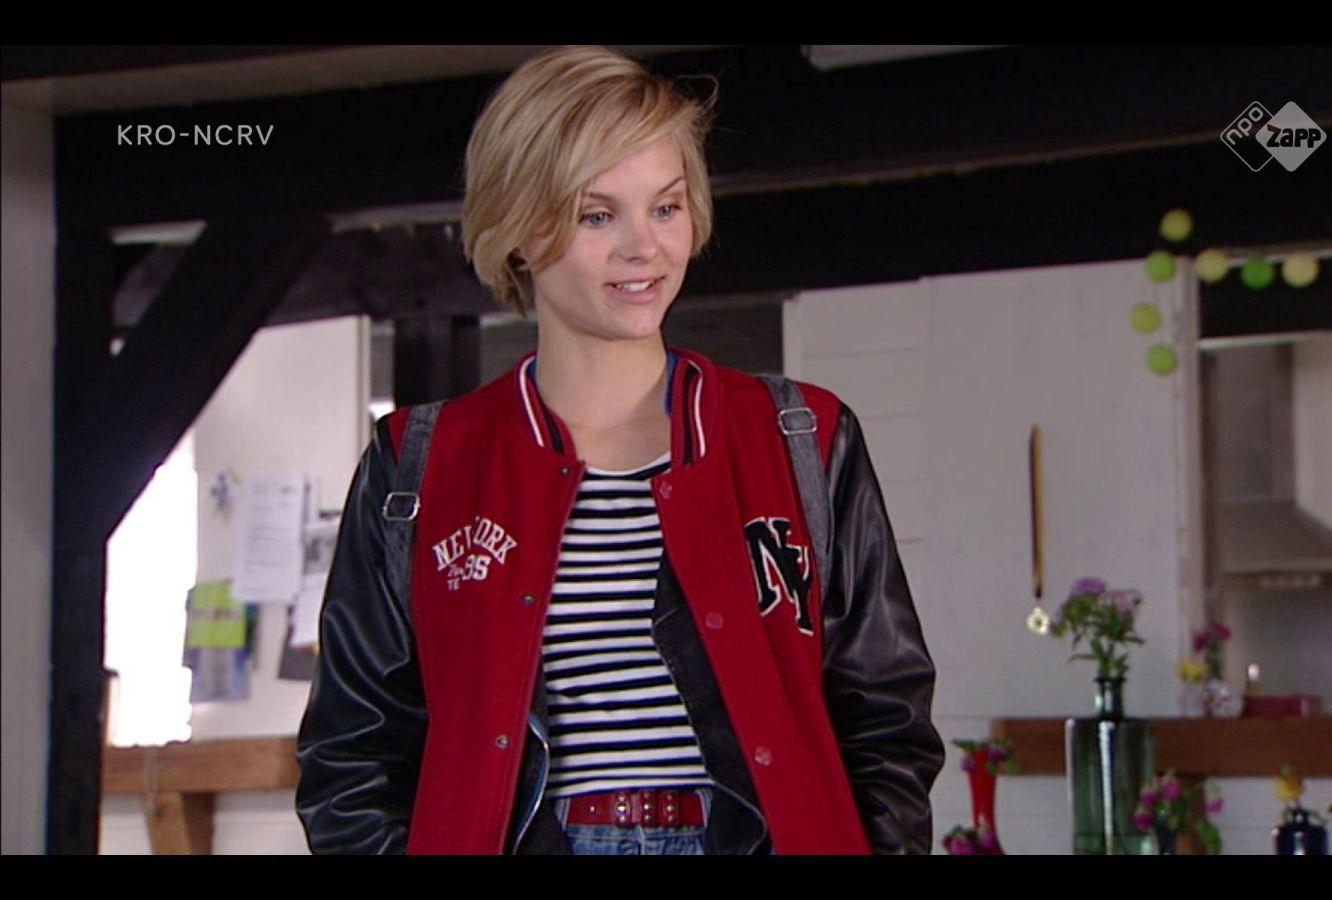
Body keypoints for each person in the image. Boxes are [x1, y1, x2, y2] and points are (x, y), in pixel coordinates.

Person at [296, 45, 943, 856]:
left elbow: (887, 723)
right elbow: (350, 757)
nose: (645, 247)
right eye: (597, 215)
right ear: (518, 229)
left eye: (666, 207)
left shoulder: (804, 436)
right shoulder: (416, 464)